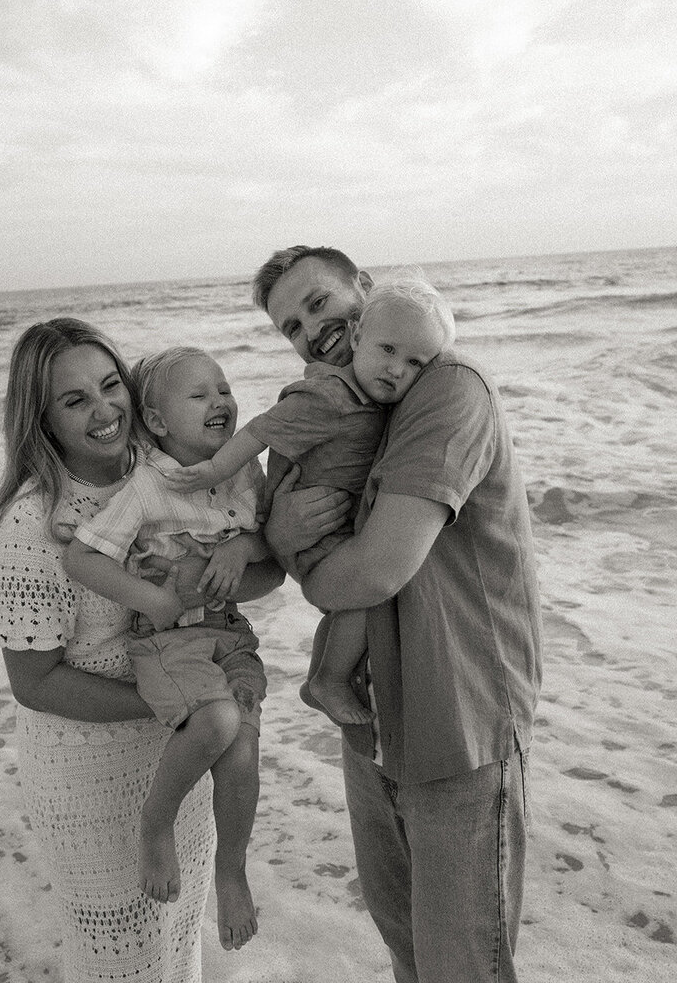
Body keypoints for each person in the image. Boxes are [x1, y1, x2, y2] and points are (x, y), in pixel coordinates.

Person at [253, 246, 543, 983]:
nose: (312, 332)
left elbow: (371, 569)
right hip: (372, 723)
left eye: (318, 303)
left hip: (457, 727)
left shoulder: (447, 389)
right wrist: (283, 538)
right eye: (292, 326)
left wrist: (301, 560)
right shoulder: (350, 407)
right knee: (410, 954)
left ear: (365, 286)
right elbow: (282, 533)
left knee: (462, 967)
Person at [0, 318, 284, 980]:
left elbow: (255, 579)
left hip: (183, 755)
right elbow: (34, 683)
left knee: (177, 946)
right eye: (75, 400)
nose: (103, 409)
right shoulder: (34, 521)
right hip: (93, 778)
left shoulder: (170, 474)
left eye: (110, 385)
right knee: (122, 963)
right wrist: (177, 710)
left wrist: (237, 553)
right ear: (42, 420)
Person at [166, 278, 455, 726]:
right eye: (294, 327)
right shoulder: (332, 395)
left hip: (318, 533)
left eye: (320, 302)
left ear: (360, 296)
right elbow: (262, 429)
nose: (397, 369)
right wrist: (216, 470)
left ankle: (324, 677)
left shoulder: (409, 387)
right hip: (320, 533)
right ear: (362, 337)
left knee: (352, 603)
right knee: (365, 599)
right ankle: (328, 679)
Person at [63, 347, 269, 952]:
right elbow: (82, 556)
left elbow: (268, 549)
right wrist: (150, 602)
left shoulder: (242, 473)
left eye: (225, 389)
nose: (221, 402)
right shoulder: (147, 486)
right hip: (169, 642)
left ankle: (233, 870)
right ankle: (156, 824)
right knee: (219, 719)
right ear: (156, 422)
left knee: (243, 752)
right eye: (200, 395)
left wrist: (238, 550)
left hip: (230, 634)